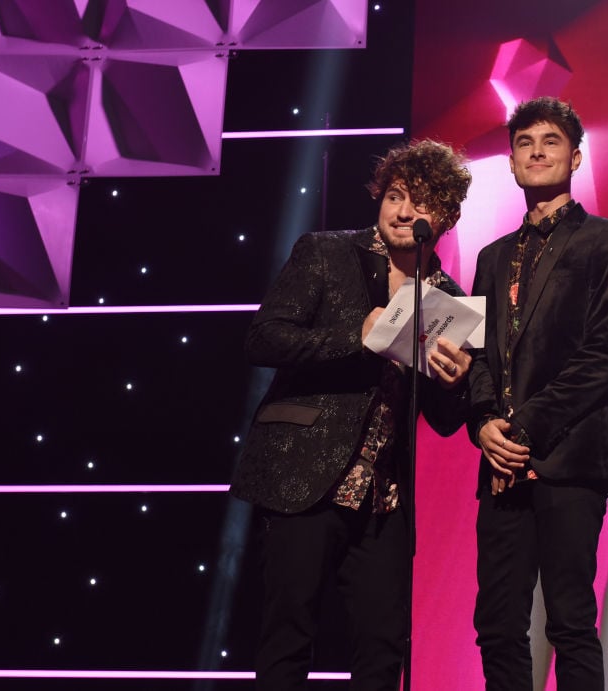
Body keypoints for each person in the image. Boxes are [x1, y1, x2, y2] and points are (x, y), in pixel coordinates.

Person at [229, 139, 473, 690]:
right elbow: (263, 339)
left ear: (446, 216)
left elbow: (442, 419)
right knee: (288, 636)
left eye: (421, 202)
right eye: (395, 196)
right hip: (304, 475)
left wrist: (454, 382)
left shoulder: (448, 299)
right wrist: (354, 338)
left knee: (383, 648)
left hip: (383, 498)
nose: (404, 212)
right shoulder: (326, 252)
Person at [467, 97, 608, 690]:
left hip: (568, 457)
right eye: (524, 143)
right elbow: (477, 355)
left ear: (576, 157)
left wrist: (524, 427)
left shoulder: (607, 240)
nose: (537, 152)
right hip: (501, 463)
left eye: (551, 141)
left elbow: (604, 354)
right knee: (497, 625)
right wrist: (483, 423)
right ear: (512, 162)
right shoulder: (491, 258)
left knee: (569, 620)